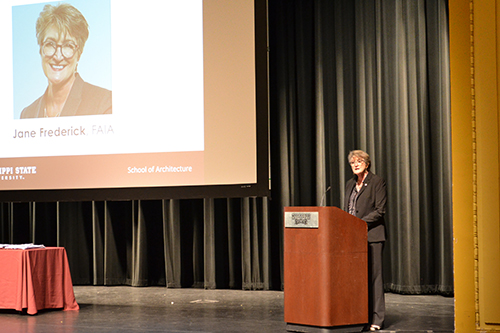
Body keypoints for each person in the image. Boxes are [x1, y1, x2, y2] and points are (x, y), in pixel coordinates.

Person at [21, 3, 111, 118]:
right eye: (50, 44)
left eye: (68, 46)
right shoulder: (27, 114)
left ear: (79, 54)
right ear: (40, 49)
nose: (58, 57)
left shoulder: (105, 104)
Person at [343, 150, 386, 331]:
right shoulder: (349, 184)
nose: (356, 164)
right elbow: (346, 209)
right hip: (353, 238)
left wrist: (358, 223)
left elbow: (380, 210)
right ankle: (359, 316)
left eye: (359, 161)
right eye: (353, 162)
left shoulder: (376, 182)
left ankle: (377, 318)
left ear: (367, 164)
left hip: (372, 236)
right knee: (356, 279)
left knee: (374, 278)